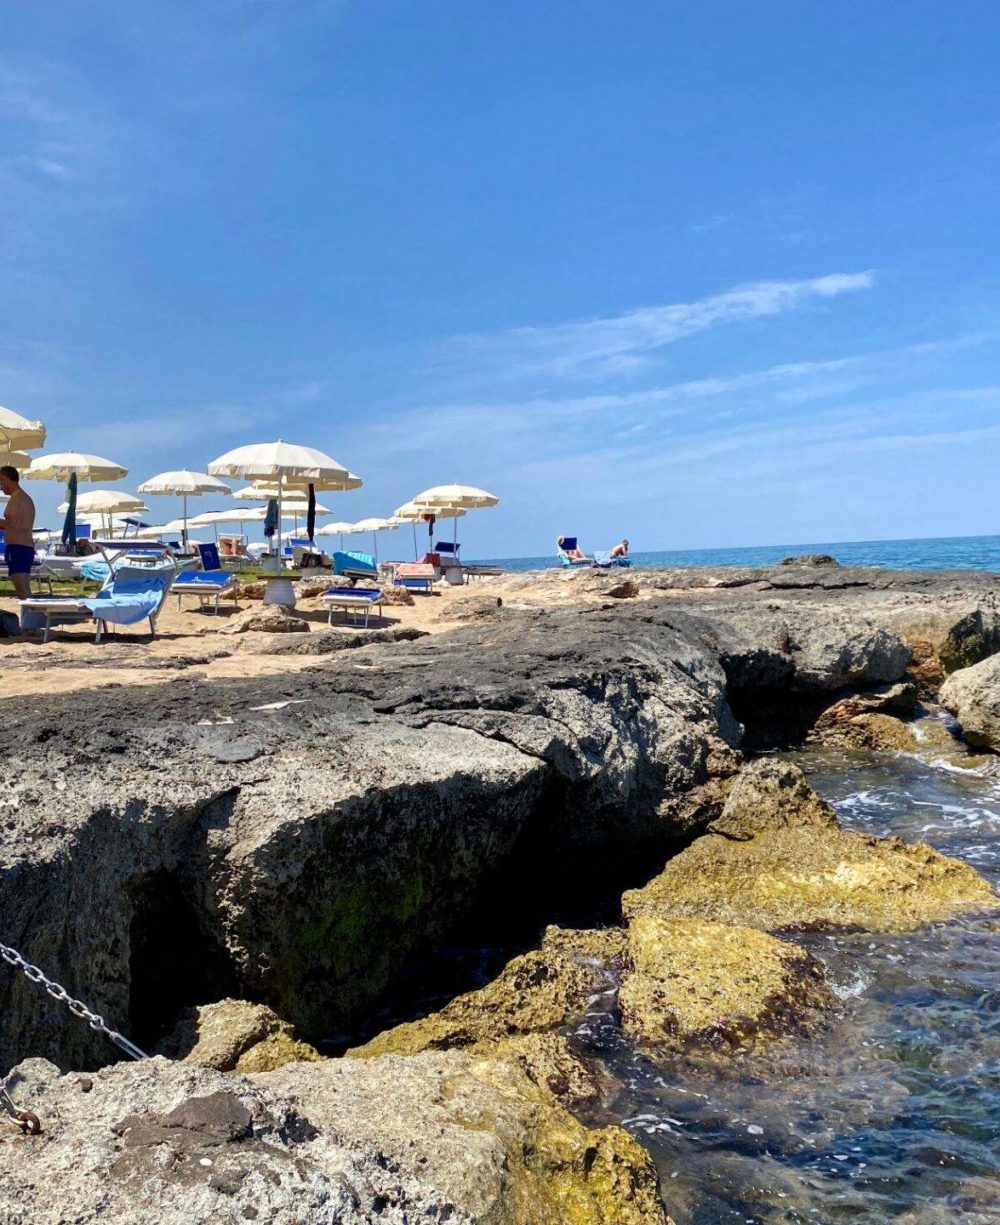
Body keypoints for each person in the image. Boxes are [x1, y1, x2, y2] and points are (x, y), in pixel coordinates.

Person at [0, 466, 36, 600]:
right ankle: (30, 619)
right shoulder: (24, 498)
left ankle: (32, 619)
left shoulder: (17, 499)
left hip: (18, 547)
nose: (0, 487)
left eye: (0, 482)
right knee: (25, 589)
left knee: (22, 590)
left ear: (5, 479)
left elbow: (13, 524)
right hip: (24, 547)